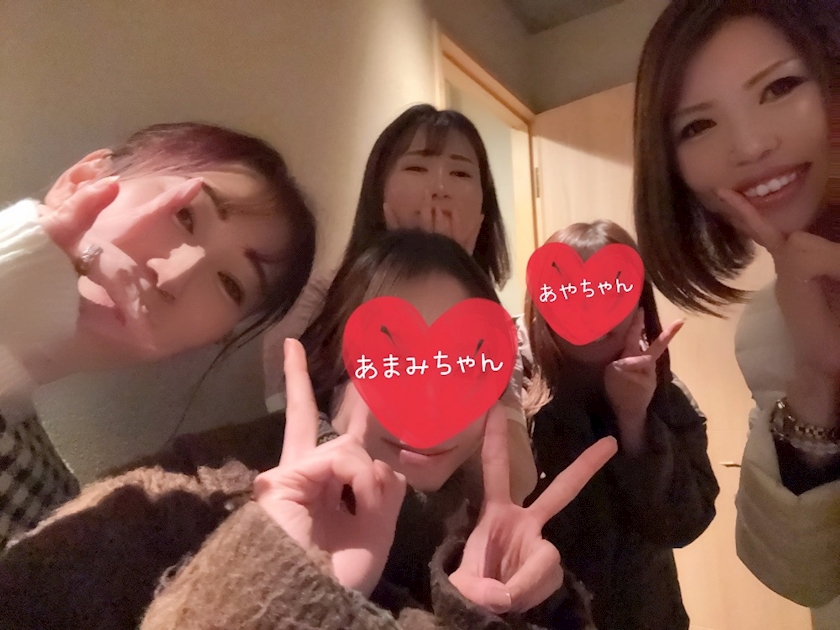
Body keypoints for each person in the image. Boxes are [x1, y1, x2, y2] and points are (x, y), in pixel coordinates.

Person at [0, 230, 615, 630]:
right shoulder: (187, 496)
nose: (432, 401)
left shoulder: (480, 526)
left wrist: (508, 611)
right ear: (334, 364)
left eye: (461, 367)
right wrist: (269, 569)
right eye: (396, 361)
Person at [0, 121, 316, 546]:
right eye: (185, 216)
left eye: (230, 284)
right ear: (82, 180)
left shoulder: (49, 510)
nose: (173, 276)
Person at [633, 0, 840, 615]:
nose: (751, 146)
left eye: (780, 87)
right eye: (699, 125)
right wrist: (815, 378)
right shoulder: (770, 331)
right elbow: (802, 578)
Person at [263, 104, 537, 503]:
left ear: (483, 208)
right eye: (417, 168)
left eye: (460, 173)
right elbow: (281, 389)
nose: (439, 188)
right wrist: (393, 263)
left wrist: (455, 270)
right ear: (379, 190)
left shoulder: (496, 330)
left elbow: (516, 478)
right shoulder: (328, 292)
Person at [520, 220, 718, 630]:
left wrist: (635, 419)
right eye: (570, 292)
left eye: (610, 289)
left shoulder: (665, 395)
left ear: (640, 304)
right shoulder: (519, 396)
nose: (590, 309)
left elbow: (684, 524)